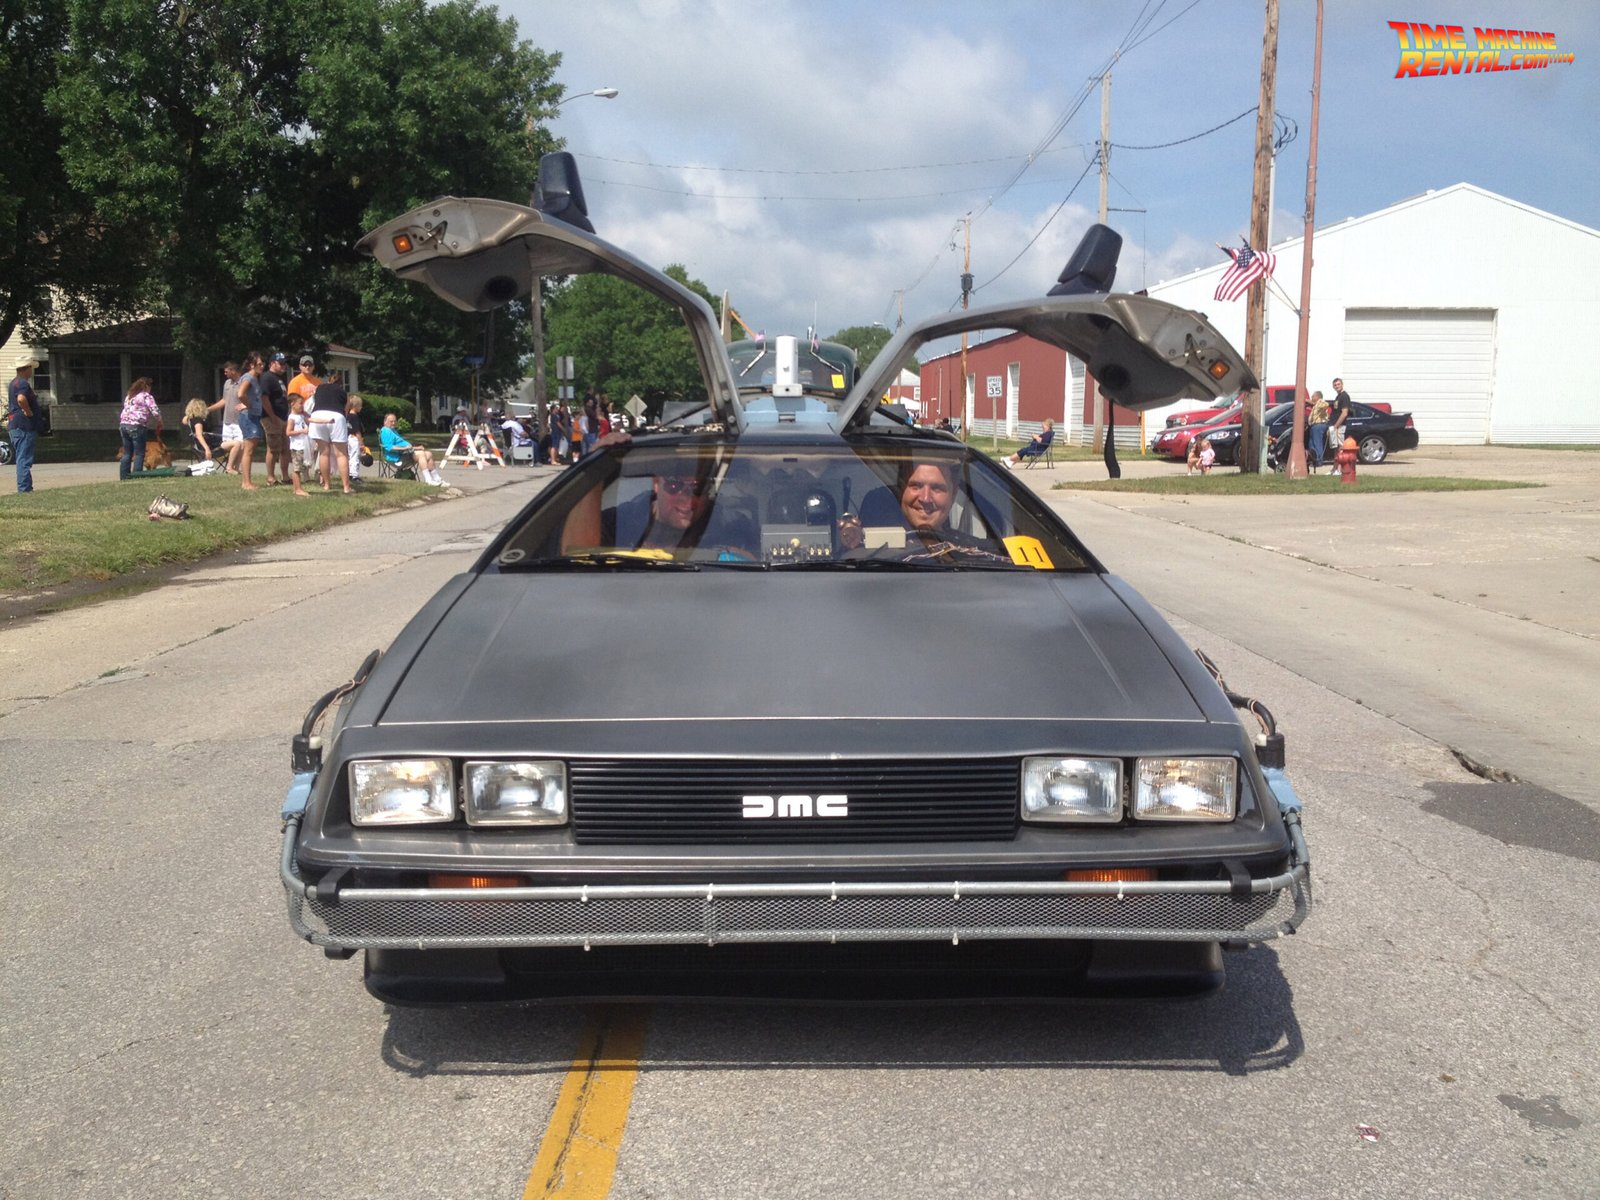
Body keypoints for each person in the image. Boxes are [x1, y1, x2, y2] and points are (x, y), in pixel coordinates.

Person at [307, 375, 352, 493]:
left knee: (324, 453)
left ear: (328, 381)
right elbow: (346, 410)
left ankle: (327, 484)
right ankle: (346, 487)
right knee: (341, 454)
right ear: (341, 384)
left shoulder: (320, 388)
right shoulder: (343, 392)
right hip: (336, 416)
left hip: (318, 415)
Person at [8, 354, 41, 493]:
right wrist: (28, 411)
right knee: (24, 458)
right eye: (30, 368)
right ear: (25, 369)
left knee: (22, 456)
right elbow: (21, 399)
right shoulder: (22, 383)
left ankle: (25, 487)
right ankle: (25, 489)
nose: (31, 372)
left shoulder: (13, 383)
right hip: (23, 426)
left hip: (14, 425)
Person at [378, 412, 442, 484]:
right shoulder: (386, 431)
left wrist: (415, 448)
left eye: (394, 421)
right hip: (397, 458)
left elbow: (404, 446)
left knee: (429, 454)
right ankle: (429, 480)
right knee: (421, 454)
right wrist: (405, 448)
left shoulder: (392, 430)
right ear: (385, 422)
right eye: (391, 421)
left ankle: (437, 479)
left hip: (406, 453)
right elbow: (389, 447)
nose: (393, 423)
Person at [118, 377, 161, 481]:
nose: (150, 389)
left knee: (127, 453)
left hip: (123, 425)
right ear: (146, 386)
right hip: (137, 426)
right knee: (139, 453)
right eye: (150, 386)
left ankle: (124, 477)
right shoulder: (146, 396)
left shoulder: (129, 396)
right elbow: (155, 411)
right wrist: (160, 421)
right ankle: (136, 477)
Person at [260, 352, 292, 485]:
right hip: (272, 418)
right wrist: (272, 416)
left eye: (285, 363)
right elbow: (264, 398)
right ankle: (271, 478)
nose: (284, 366)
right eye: (281, 363)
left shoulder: (279, 379)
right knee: (273, 448)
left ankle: (285, 476)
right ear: (272, 363)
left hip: (283, 417)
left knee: (285, 448)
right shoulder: (267, 378)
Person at [207, 362, 244, 473]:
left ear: (233, 370)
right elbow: (224, 400)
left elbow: (251, 400)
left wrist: (246, 405)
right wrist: (208, 410)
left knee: (241, 445)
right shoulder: (227, 383)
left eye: (226, 371)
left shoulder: (243, 382)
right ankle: (230, 467)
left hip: (240, 421)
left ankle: (235, 468)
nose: (225, 373)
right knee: (232, 445)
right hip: (227, 421)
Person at [235, 353, 265, 490]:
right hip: (248, 417)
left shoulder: (255, 378)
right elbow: (240, 394)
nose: (262, 366)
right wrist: (248, 405)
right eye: (259, 364)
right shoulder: (249, 377)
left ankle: (247, 481)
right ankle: (246, 483)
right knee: (248, 450)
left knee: (251, 449)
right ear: (251, 365)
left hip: (254, 416)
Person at [285, 394, 312, 496]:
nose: (302, 406)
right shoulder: (292, 418)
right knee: (297, 469)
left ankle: (297, 488)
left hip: (302, 445)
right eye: (300, 403)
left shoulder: (300, 416)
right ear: (292, 404)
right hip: (297, 446)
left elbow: (309, 418)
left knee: (300, 467)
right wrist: (302, 431)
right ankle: (298, 489)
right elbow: (288, 432)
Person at [344, 394, 366, 486]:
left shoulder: (347, 416)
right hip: (354, 438)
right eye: (360, 405)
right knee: (355, 457)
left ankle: (349, 473)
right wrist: (361, 443)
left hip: (348, 438)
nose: (361, 407)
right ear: (355, 406)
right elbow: (357, 431)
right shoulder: (355, 417)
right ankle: (354, 475)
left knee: (350, 456)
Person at [1307, 390, 1331, 467]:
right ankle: (1313, 460)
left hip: (1319, 425)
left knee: (1317, 444)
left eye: (1313, 396)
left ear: (1318, 397)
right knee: (1311, 444)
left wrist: (1313, 403)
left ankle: (1319, 461)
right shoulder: (1315, 406)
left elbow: (1326, 404)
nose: (1311, 398)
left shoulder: (1321, 402)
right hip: (1313, 426)